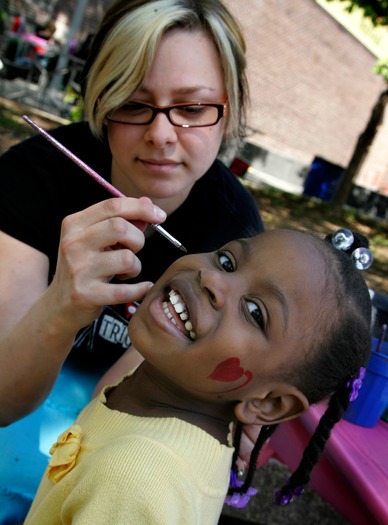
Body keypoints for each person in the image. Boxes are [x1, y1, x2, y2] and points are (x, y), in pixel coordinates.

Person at [0, 1, 263, 521]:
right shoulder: (35, 175)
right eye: (134, 104)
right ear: (101, 101)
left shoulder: (234, 235)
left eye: (191, 109)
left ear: (227, 108)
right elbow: (4, 401)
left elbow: (116, 414)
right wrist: (61, 304)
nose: (162, 135)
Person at [23, 228, 372, 525]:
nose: (213, 279)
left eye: (254, 312)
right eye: (227, 260)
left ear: (268, 403)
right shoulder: (165, 401)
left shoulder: (135, 479)